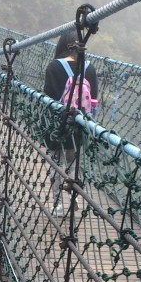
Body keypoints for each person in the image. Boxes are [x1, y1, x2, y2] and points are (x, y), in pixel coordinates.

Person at [43, 30, 98, 215]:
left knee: (56, 164)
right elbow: (94, 101)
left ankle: (57, 205)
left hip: (57, 126)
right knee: (74, 164)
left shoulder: (53, 66)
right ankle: (74, 197)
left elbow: (48, 98)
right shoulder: (90, 68)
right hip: (79, 126)